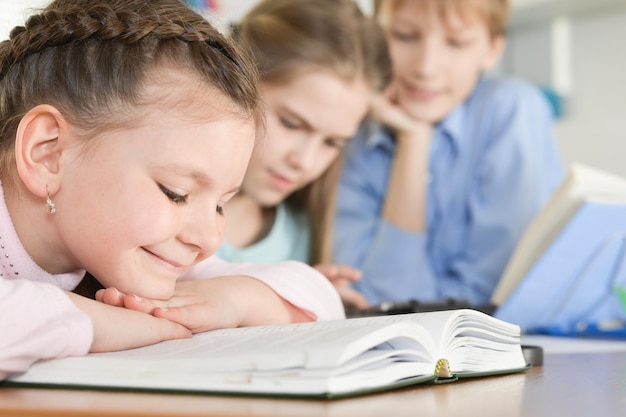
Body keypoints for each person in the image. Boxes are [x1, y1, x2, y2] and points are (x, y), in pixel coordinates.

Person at [0, 0, 344, 379]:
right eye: (175, 193)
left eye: (220, 206)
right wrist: (107, 324)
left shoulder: (131, 253)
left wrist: (234, 301)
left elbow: (322, 300)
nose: (207, 241)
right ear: (48, 154)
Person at [332, 0, 565, 307]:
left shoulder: (512, 110)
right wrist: (414, 141)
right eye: (404, 36)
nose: (426, 68)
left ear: (492, 50)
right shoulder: (350, 133)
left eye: (456, 43)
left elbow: (498, 297)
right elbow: (377, 300)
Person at [214, 0, 391, 309]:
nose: (305, 162)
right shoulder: (160, 209)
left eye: (332, 143)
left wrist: (307, 298)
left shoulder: (299, 236)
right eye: (292, 124)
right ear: (235, 78)